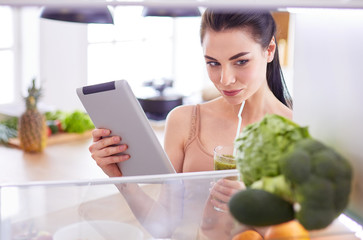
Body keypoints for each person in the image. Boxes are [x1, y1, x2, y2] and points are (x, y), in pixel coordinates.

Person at [89, 8, 292, 239]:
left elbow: (304, 232)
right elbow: (164, 227)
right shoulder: (184, 121)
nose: (225, 79)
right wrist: (122, 180)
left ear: (270, 50)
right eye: (213, 63)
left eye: (241, 61)